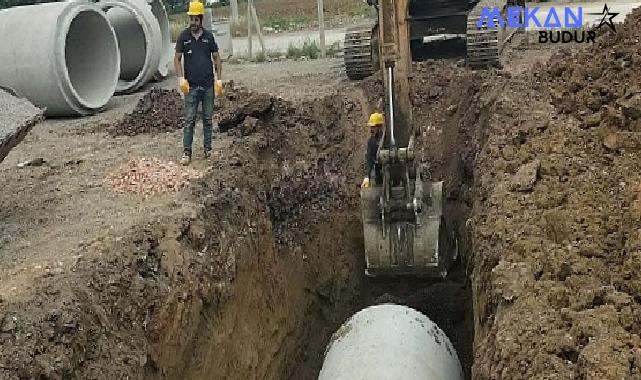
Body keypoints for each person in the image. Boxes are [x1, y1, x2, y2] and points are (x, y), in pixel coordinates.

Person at [174, 1, 223, 166]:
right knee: (189, 120)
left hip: (208, 85)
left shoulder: (209, 37)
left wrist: (219, 79)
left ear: (201, 19)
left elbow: (216, 58)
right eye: (191, 19)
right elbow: (177, 59)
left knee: (208, 119)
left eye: (196, 19)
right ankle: (187, 152)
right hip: (191, 87)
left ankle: (208, 149)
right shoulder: (184, 37)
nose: (193, 22)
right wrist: (181, 78)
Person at [362, 112, 384, 188]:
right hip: (379, 177)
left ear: (380, 127)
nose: (371, 129)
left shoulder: (386, 140)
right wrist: (366, 176)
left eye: (374, 127)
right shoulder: (371, 142)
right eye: (371, 127)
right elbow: (369, 159)